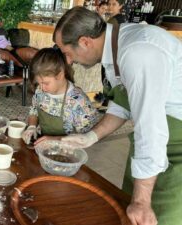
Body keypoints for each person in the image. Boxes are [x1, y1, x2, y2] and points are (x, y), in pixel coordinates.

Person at [53, 6, 182, 225]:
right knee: (126, 211)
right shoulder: (116, 44)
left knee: (157, 216)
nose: (69, 61)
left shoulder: (138, 52)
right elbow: (124, 104)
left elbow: (150, 128)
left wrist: (142, 200)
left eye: (67, 53)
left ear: (85, 42)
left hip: (176, 148)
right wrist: (90, 137)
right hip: (150, 149)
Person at [21, 47, 98, 147]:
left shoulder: (78, 102)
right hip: (41, 147)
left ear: (60, 75)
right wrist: (31, 126)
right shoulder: (40, 91)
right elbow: (34, 110)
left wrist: (54, 140)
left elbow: (84, 138)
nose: (42, 87)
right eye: (38, 83)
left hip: (67, 154)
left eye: (45, 83)